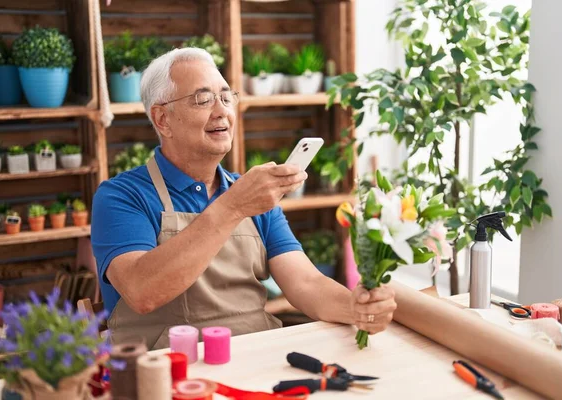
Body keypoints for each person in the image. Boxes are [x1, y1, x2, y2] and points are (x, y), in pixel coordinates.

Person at [91, 47, 397, 350]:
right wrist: (233, 206)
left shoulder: (252, 193)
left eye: (226, 97)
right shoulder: (121, 196)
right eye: (203, 99)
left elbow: (305, 284)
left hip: (257, 357)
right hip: (169, 373)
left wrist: (355, 308)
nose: (222, 110)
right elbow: (143, 291)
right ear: (162, 119)